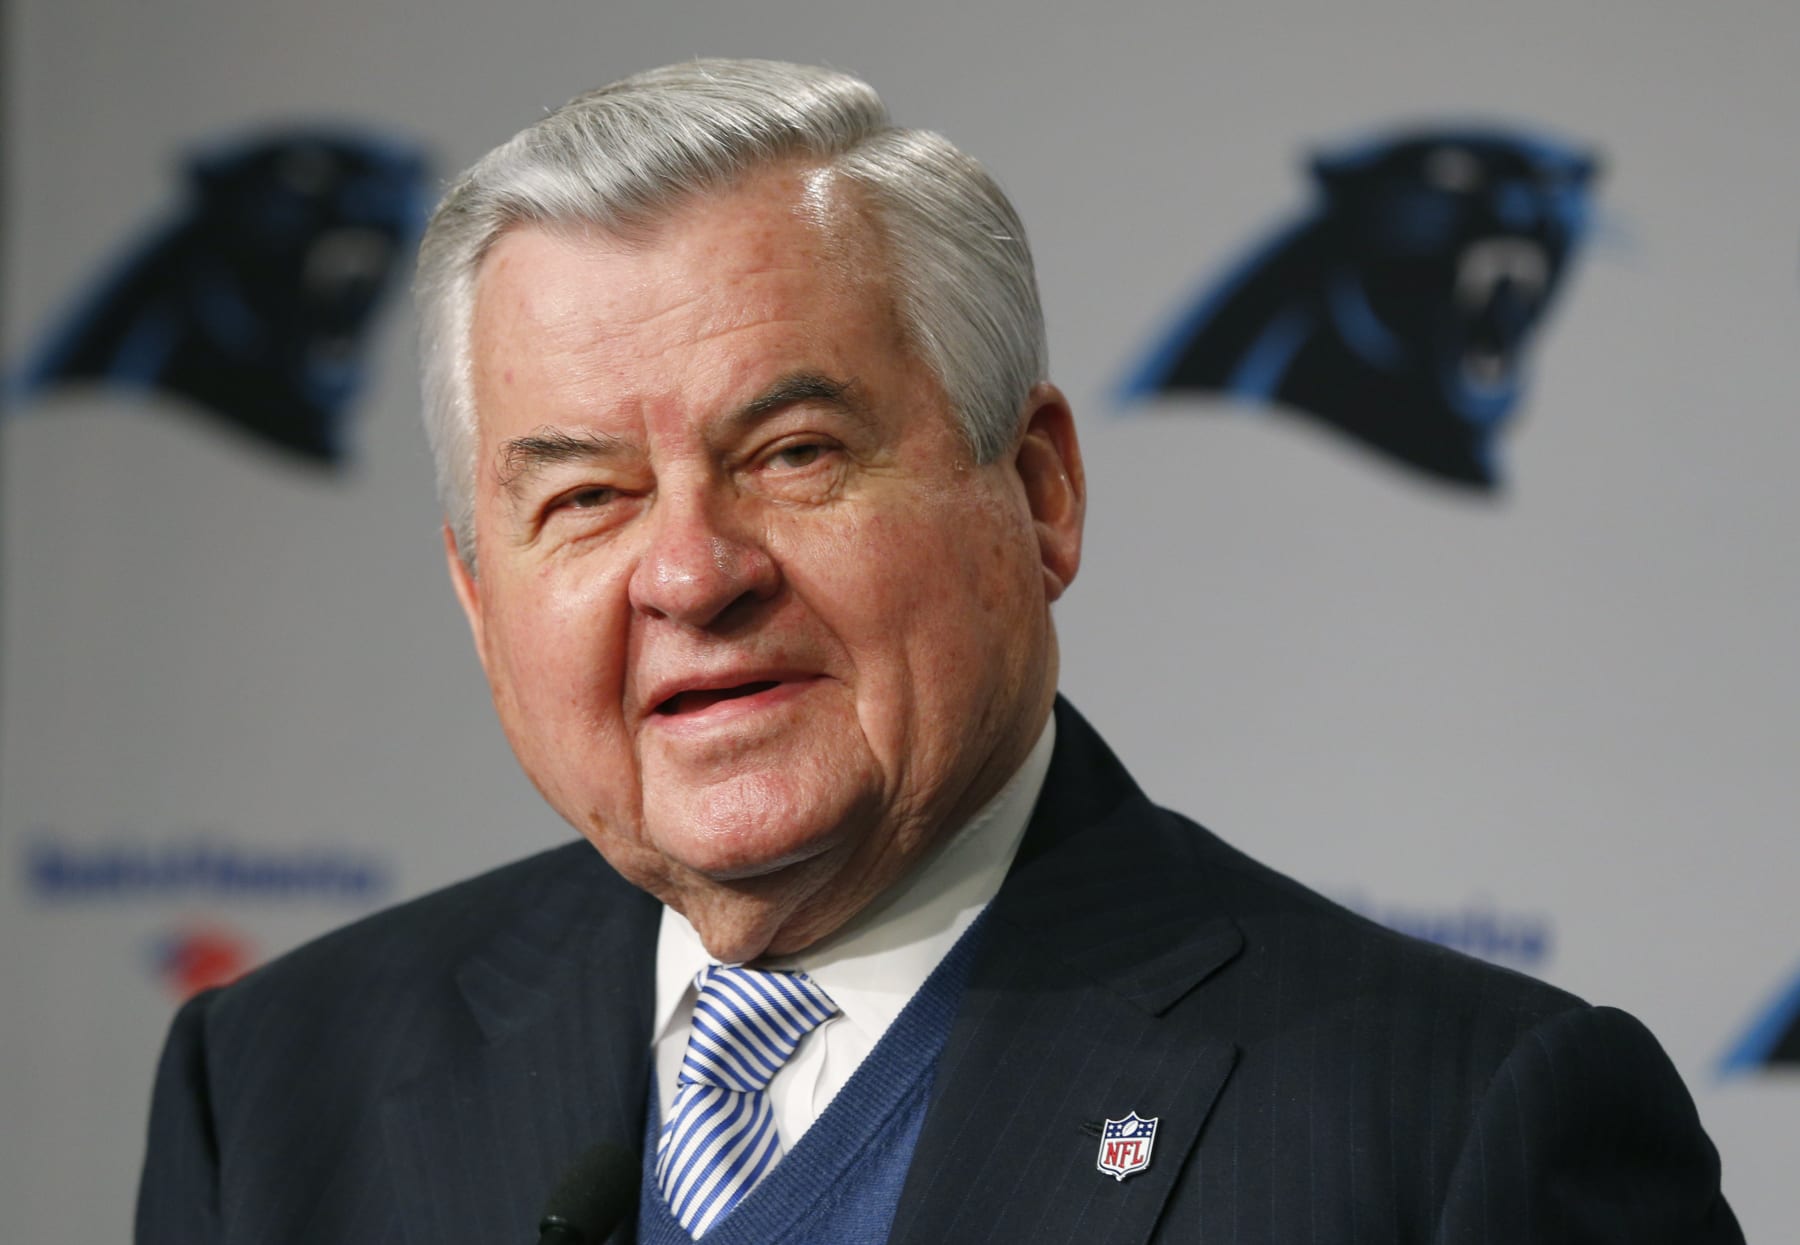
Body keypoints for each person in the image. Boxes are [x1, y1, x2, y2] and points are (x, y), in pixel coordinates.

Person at [136, 59, 1741, 1244]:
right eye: (585, 497)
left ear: (1037, 489)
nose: (690, 570)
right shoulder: (278, 1087)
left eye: (796, 452)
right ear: (484, 604)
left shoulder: (1459, 1131)